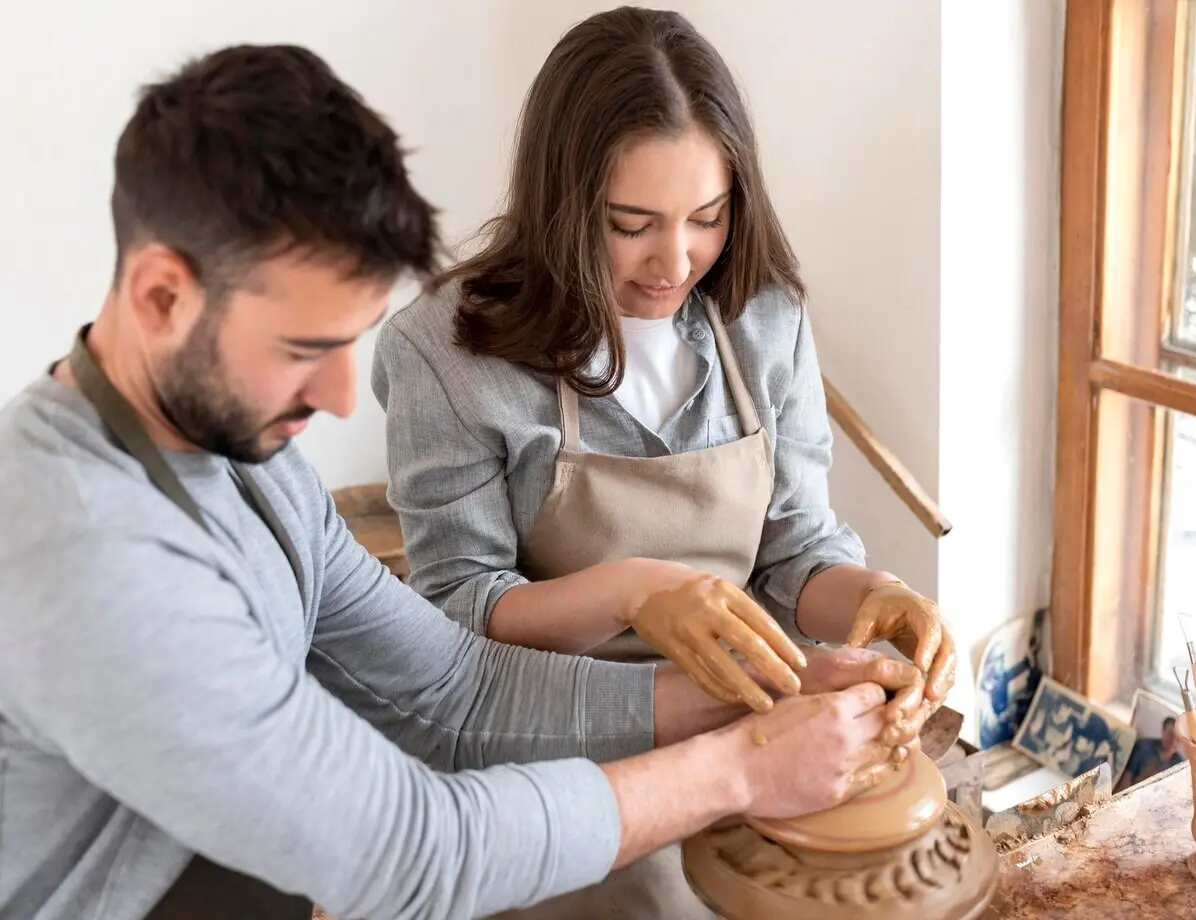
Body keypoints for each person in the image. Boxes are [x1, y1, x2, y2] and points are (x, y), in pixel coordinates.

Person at [0, 44, 927, 920]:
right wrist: (740, 768)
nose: (335, 397)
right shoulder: (86, 553)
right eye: (303, 351)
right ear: (162, 296)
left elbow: (456, 690)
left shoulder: (243, 460)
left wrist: (773, 690)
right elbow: (414, 850)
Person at [371, 7, 959, 917]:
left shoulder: (762, 318)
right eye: (630, 224)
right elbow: (461, 616)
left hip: (752, 718)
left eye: (707, 218)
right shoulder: (445, 355)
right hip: (556, 751)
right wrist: (633, 590)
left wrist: (871, 595)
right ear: (562, 205)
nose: (673, 263)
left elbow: (793, 546)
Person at [1115, 716, 1186, 792]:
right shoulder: (1144, 746)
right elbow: (1126, 777)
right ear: (1163, 730)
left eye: (1178, 738)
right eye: (1170, 735)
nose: (1174, 741)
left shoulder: (1180, 765)